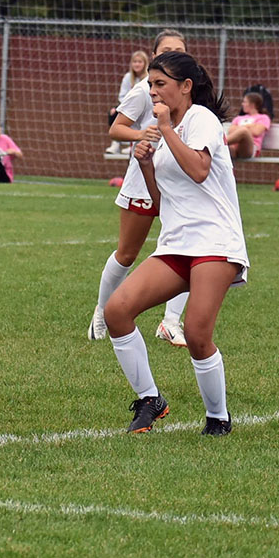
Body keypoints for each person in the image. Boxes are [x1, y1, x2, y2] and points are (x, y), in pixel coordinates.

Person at [103, 50, 248, 436]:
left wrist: (165, 130)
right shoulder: (163, 127)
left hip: (215, 242)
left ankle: (218, 419)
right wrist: (148, 166)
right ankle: (150, 399)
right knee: (116, 311)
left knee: (198, 335)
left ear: (185, 87)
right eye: (150, 84)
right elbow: (162, 200)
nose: (152, 92)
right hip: (176, 243)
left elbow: (200, 171)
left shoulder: (200, 118)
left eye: (160, 84)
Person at [89, 29, 190, 346]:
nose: (173, 53)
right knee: (127, 254)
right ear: (155, 56)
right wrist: (143, 135)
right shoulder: (143, 92)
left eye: (179, 49)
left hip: (181, 182)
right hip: (142, 183)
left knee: (188, 249)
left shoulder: (192, 91)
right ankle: (102, 314)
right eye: (166, 50)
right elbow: (116, 128)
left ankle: (171, 322)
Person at [107, 50, 149, 154]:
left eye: (140, 62)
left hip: (145, 105)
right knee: (113, 112)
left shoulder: (148, 78)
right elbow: (122, 95)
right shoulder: (127, 77)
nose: (137, 64)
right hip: (129, 105)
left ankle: (133, 144)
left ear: (145, 63)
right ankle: (116, 143)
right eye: (135, 62)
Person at [225, 90, 272, 160]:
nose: (242, 104)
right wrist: (250, 126)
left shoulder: (263, 118)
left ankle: (220, 143)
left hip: (249, 148)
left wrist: (241, 128)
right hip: (234, 147)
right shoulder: (239, 118)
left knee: (244, 132)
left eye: (245, 102)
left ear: (252, 104)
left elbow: (257, 131)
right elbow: (230, 131)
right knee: (228, 149)